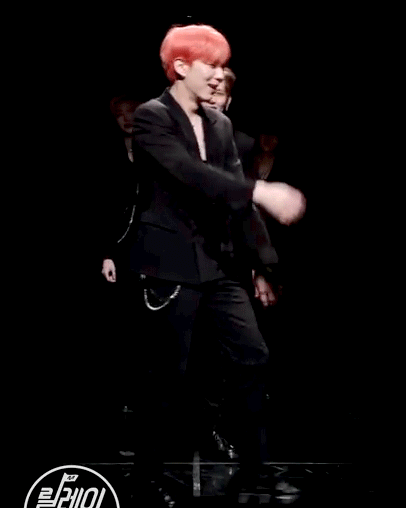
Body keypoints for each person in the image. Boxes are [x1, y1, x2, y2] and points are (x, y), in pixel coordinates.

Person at [102, 24, 305, 504]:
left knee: (253, 357)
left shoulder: (220, 126)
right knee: (166, 375)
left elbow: (236, 202)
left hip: (219, 264)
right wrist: (260, 189)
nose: (218, 75)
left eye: (222, 66)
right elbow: (189, 174)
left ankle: (256, 471)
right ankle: (147, 476)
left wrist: (264, 266)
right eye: (210, 66)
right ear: (180, 67)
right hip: (169, 266)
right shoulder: (152, 117)